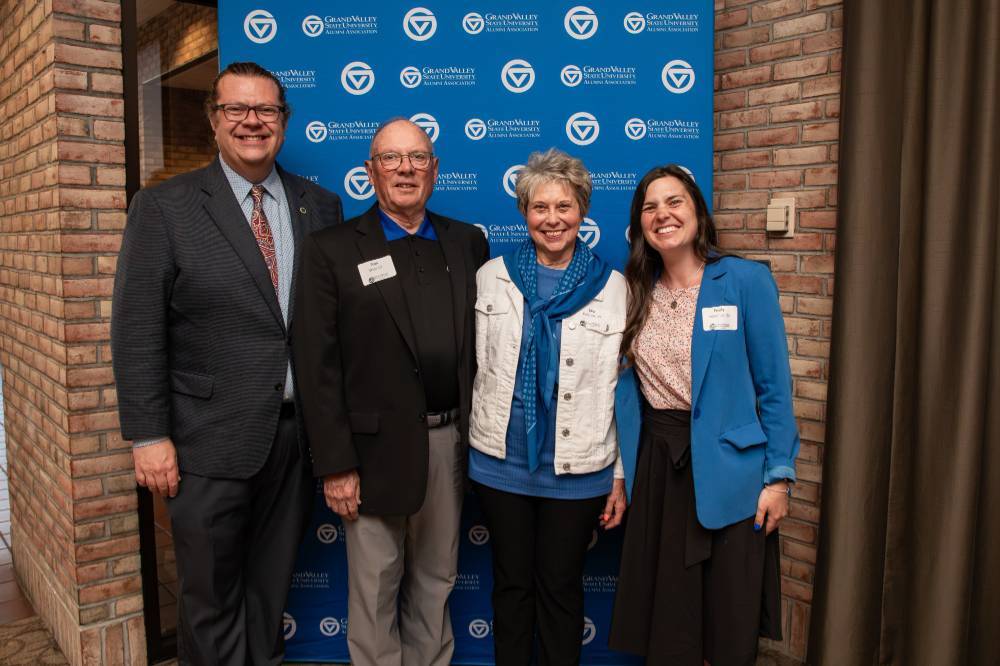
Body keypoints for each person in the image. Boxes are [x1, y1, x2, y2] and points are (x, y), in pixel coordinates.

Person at [111, 61, 344, 664]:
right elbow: (137, 329)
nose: (252, 122)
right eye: (236, 109)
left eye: (265, 110)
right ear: (213, 121)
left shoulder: (319, 207)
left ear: (283, 123)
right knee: (209, 599)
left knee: (271, 592)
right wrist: (148, 435)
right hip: (205, 442)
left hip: (295, 441)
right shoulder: (164, 208)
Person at [293, 118, 490, 666]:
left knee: (437, 579)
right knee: (375, 587)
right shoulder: (330, 250)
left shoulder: (467, 242)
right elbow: (317, 365)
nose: (406, 169)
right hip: (369, 453)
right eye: (391, 158)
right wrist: (335, 464)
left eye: (418, 158)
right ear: (370, 171)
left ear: (435, 170)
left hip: (449, 443)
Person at [608, 165, 797, 665]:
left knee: (726, 624)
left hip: (731, 474)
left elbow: (774, 389)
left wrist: (778, 478)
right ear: (639, 224)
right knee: (669, 625)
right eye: (650, 207)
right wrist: (622, 474)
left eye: (674, 202)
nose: (662, 215)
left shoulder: (744, 280)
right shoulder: (633, 289)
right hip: (659, 468)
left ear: (697, 213)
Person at [468, 148, 628, 665]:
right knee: (511, 587)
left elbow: (621, 392)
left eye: (564, 206)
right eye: (540, 207)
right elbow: (474, 368)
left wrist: (620, 475)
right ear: (524, 213)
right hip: (500, 463)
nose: (552, 219)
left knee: (560, 589)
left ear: (582, 211)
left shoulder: (614, 287)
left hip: (579, 468)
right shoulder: (491, 275)